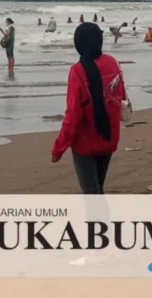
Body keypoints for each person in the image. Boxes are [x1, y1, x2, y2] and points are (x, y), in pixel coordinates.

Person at [51, 21, 128, 194]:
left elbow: (73, 114)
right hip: (109, 137)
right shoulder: (112, 63)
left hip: (86, 142)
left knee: (92, 193)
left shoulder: (78, 71)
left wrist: (59, 147)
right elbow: (121, 95)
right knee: (97, 189)